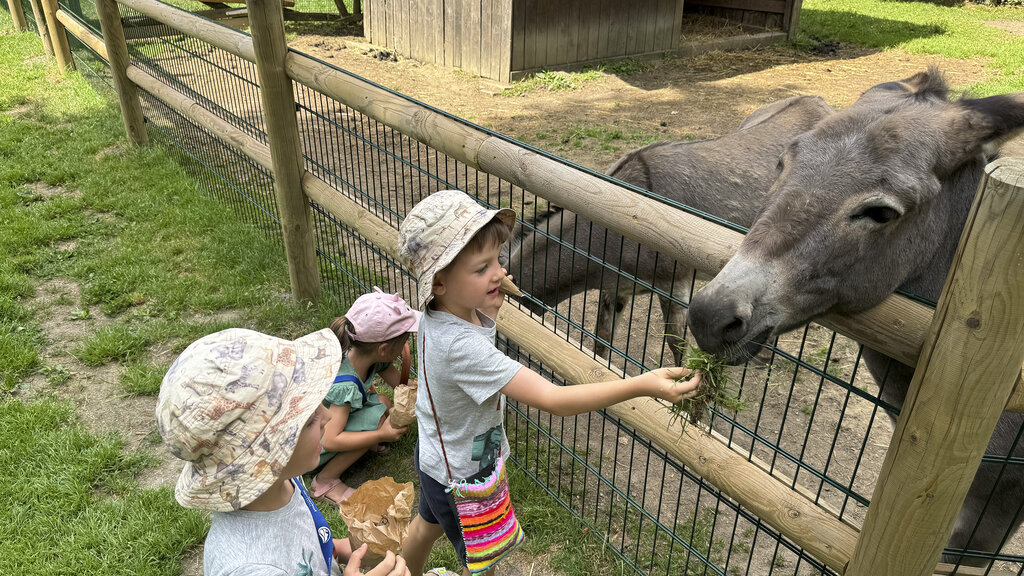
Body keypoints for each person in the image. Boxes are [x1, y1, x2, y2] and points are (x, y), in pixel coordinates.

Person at [395, 190, 702, 576]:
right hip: (464, 478)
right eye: (481, 269)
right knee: (486, 557)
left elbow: (467, 347)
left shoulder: (439, 316)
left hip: (438, 455)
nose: (498, 273)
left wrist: (485, 306)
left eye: (496, 260)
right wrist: (642, 384)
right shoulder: (460, 347)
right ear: (439, 283)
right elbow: (554, 399)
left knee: (426, 526)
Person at [156, 327, 412, 576]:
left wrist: (354, 548)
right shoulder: (252, 568)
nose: (325, 417)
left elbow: (312, 550)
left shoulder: (282, 482)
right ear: (269, 454)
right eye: (310, 418)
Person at [311, 287, 420, 504]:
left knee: (383, 403)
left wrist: (424, 388)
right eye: (404, 339)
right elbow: (330, 439)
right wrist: (380, 435)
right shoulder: (346, 385)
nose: (406, 344)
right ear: (384, 348)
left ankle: (364, 441)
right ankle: (325, 480)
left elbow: (398, 382)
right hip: (314, 442)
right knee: (375, 426)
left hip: (328, 424)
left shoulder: (367, 356)